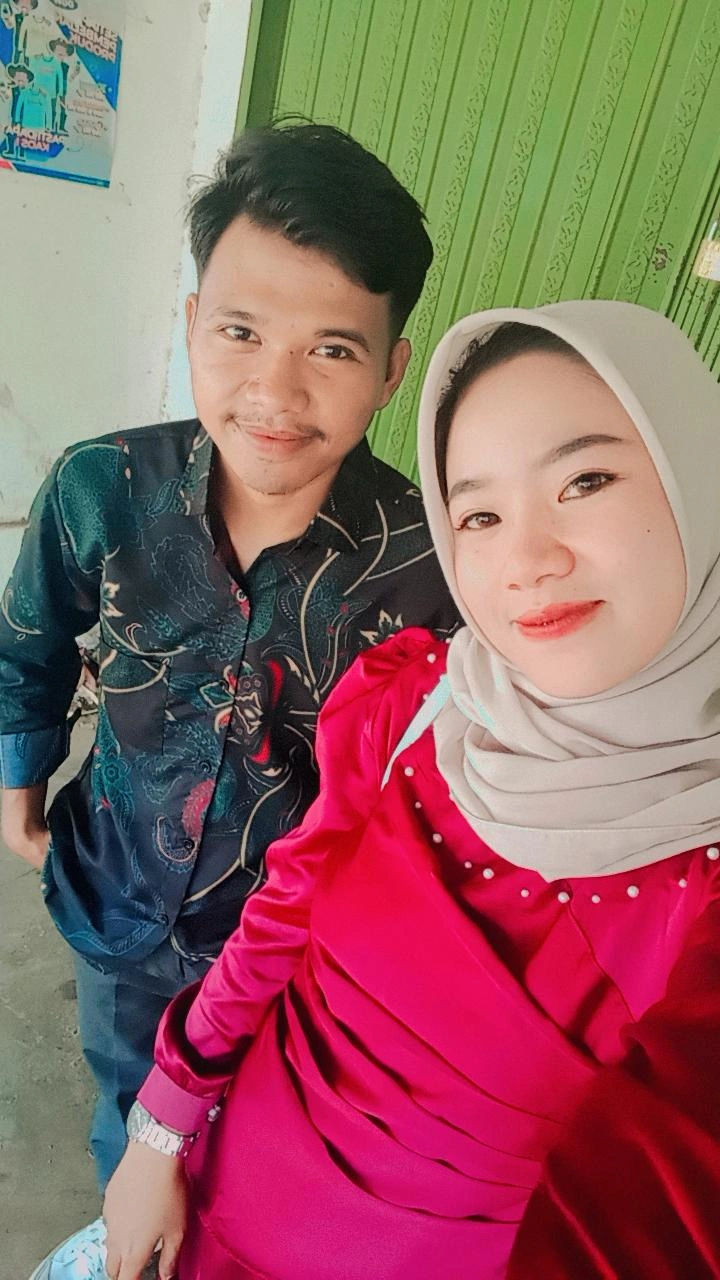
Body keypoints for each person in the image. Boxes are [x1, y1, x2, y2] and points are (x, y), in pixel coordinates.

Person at [82, 298, 720, 1280]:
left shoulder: (698, 883)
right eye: (480, 515)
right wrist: (160, 1132)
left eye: (585, 480)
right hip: (220, 1202)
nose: (527, 561)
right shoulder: (422, 704)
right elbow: (282, 918)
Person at [0, 123, 458, 1193]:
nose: (276, 393)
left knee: (254, 1167)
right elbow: (28, 642)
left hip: (292, 960)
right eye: (242, 332)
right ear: (194, 321)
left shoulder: (432, 566)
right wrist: (18, 792)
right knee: (126, 1130)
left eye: (332, 350)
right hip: (115, 898)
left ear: (391, 371)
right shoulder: (100, 486)